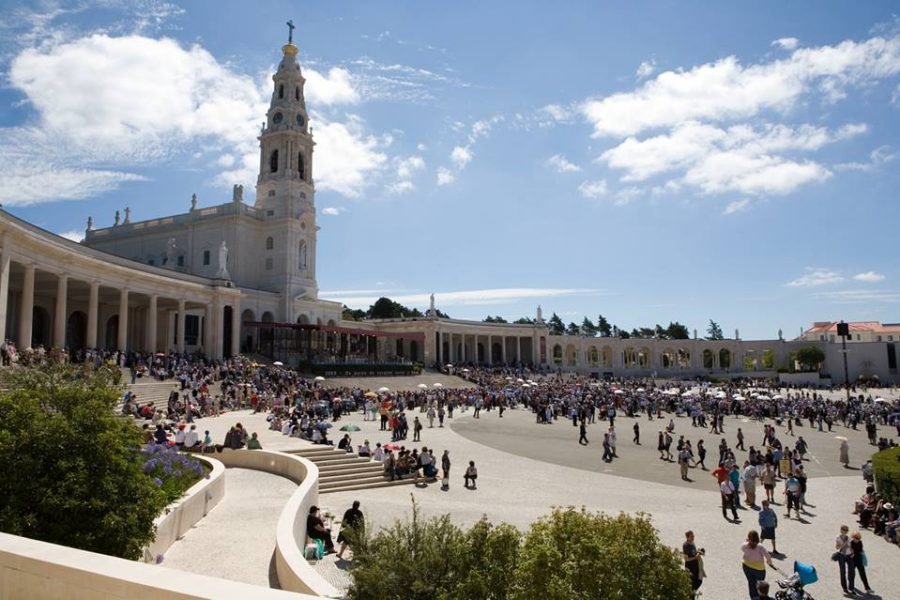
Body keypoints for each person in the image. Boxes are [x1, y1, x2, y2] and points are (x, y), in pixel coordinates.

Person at [741, 530, 773, 600]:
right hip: (759, 569)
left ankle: (753, 597)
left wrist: (747, 541)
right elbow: (768, 556)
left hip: (747, 566)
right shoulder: (760, 547)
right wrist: (769, 562)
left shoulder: (744, 545)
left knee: (751, 583)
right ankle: (761, 596)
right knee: (760, 584)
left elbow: (742, 548)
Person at [682, 530, 704, 597]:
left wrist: (698, 552)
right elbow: (686, 559)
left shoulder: (693, 543)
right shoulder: (686, 546)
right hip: (690, 568)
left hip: (696, 567)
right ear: (687, 537)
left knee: (699, 581)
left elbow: (693, 553)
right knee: (691, 586)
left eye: (693, 536)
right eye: (691, 536)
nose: (693, 537)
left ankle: (692, 594)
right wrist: (695, 557)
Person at [835, 524, 852, 594]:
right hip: (841, 555)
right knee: (843, 571)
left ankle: (851, 584)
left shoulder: (849, 538)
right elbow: (837, 547)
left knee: (851, 570)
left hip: (849, 555)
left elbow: (851, 546)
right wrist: (843, 544)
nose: (844, 532)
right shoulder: (838, 538)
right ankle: (844, 587)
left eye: (845, 531)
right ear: (841, 531)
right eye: (843, 530)